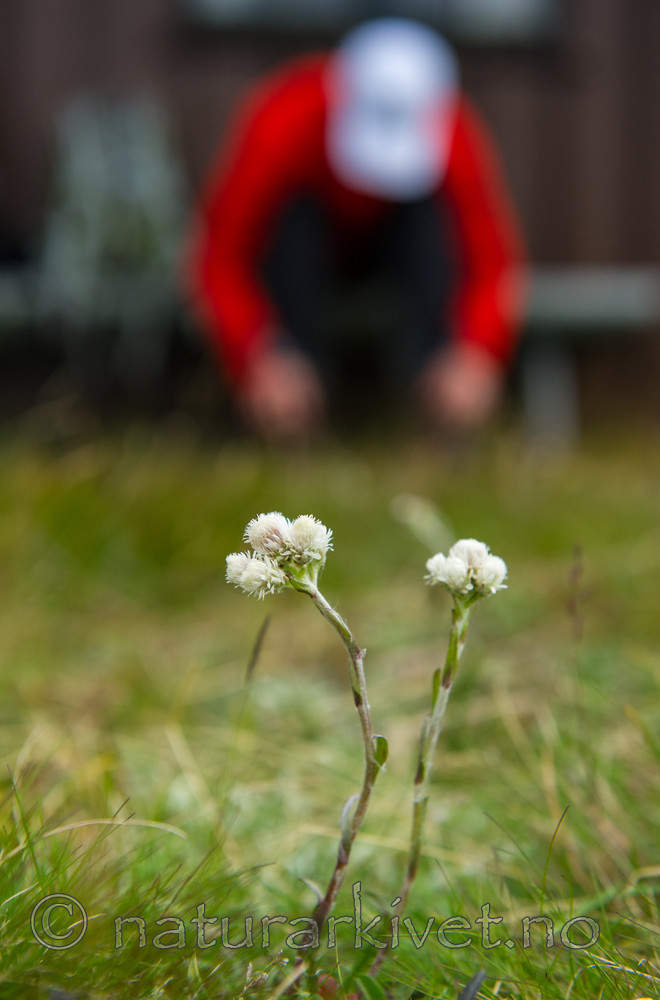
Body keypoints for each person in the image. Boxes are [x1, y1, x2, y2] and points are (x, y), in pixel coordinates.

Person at [185, 18, 526, 440]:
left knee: (429, 222)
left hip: (395, 256)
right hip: (303, 263)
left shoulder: (453, 130)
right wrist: (257, 356)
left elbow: (492, 263)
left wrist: (475, 353)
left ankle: (435, 408)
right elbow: (219, 258)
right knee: (295, 222)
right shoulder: (284, 115)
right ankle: (295, 411)